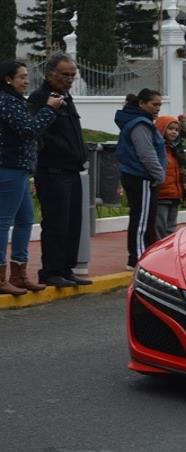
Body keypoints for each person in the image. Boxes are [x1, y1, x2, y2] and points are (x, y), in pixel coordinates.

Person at [27, 52, 91, 287]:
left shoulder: (66, 97)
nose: (69, 79)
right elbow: (40, 134)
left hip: (72, 171)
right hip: (53, 171)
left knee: (73, 223)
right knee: (56, 224)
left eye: (73, 75)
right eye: (65, 75)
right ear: (50, 73)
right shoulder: (40, 98)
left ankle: (66, 268)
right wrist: (66, 152)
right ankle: (51, 271)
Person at [0, 60, 63, 294]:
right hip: (9, 168)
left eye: (27, 77)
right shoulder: (7, 102)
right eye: (21, 77)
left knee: (25, 219)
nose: (26, 81)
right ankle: (2, 276)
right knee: (3, 222)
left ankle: (19, 274)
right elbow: (29, 130)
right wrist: (49, 109)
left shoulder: (15, 101)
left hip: (19, 169)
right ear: (8, 79)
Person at [114, 89, 166, 269]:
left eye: (160, 104)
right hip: (141, 176)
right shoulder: (140, 124)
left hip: (138, 175)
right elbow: (147, 154)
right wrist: (159, 174)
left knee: (143, 217)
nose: (157, 108)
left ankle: (141, 254)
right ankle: (137, 257)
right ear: (142, 104)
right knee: (142, 219)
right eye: (154, 104)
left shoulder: (138, 122)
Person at [154, 115, 186, 238]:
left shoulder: (176, 150)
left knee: (171, 228)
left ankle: (167, 251)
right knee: (159, 227)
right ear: (161, 129)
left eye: (176, 129)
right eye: (170, 128)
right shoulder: (157, 150)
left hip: (175, 194)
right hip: (161, 195)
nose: (174, 132)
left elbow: (180, 171)